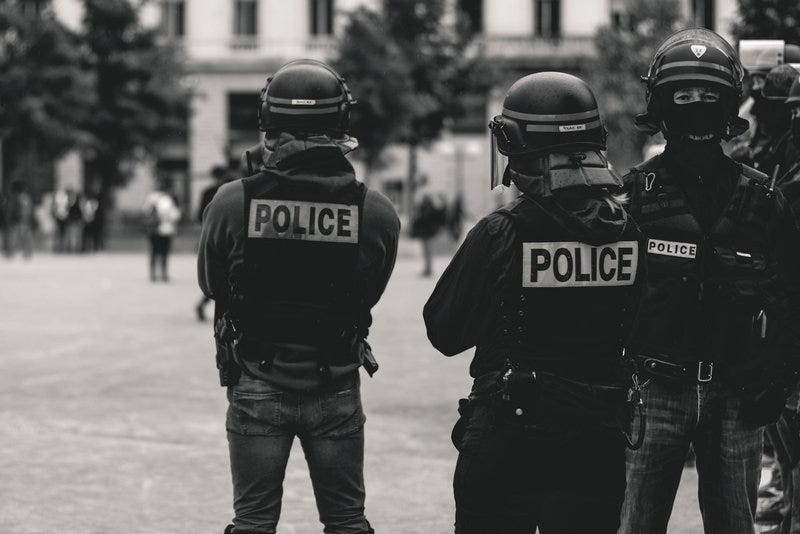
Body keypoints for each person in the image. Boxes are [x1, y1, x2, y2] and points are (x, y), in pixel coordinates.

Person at [424, 72, 647, 533]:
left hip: (508, 438)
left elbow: (445, 333)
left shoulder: (501, 231)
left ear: (516, 146)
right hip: (597, 441)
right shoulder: (630, 232)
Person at [198, 59, 400, 534]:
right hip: (336, 380)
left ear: (268, 123)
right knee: (347, 520)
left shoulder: (233, 201)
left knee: (252, 522)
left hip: (255, 379)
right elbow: (372, 289)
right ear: (340, 122)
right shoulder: (374, 210)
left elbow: (212, 285)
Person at [619, 29, 800, 534]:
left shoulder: (764, 200)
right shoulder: (632, 198)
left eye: (707, 96)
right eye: (682, 96)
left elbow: (791, 296)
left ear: (727, 105)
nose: (695, 106)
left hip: (737, 395)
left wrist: (779, 374)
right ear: (660, 104)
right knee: (635, 523)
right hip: (652, 390)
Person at [195, 165, 230, 321]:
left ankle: (203, 304)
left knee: (215, 272)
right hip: (225, 237)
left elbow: (199, 215)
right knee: (222, 274)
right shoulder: (229, 191)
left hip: (210, 235)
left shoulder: (208, 192)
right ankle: (205, 304)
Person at [142, 178, 181, 282]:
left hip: (153, 229)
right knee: (164, 252)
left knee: (154, 251)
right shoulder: (169, 198)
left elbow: (145, 212)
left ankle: (153, 274)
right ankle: (163, 274)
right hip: (166, 229)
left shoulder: (151, 197)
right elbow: (176, 215)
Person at [410, 175, 447, 277]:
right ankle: (428, 268)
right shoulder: (431, 191)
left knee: (426, 246)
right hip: (429, 223)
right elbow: (438, 205)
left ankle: (428, 268)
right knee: (428, 245)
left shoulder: (422, 191)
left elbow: (418, 206)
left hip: (424, 223)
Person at [4, 179, 35, 259]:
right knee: (23, 235)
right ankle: (26, 252)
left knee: (16, 235)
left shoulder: (19, 197)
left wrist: (11, 217)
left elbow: (15, 209)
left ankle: (13, 252)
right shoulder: (25, 197)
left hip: (19, 218)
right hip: (22, 218)